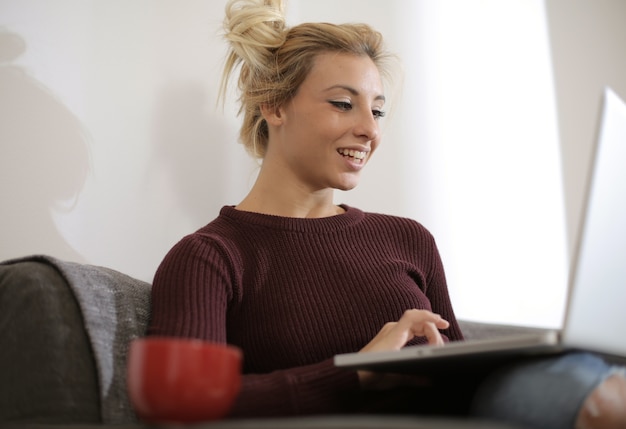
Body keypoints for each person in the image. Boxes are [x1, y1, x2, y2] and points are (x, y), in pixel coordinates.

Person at [148, 0, 626, 427]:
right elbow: (180, 406)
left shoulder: (408, 238)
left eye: (377, 111)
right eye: (343, 104)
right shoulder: (209, 257)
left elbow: (465, 379)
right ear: (273, 105)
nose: (368, 130)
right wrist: (354, 373)